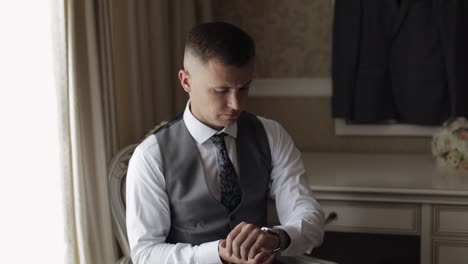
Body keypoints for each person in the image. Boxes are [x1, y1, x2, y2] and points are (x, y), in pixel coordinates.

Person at [126, 21, 325, 264]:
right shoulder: (151, 155)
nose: (236, 104)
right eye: (221, 91)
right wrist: (217, 252)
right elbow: (145, 255)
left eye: (244, 88)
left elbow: (309, 218)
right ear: (186, 81)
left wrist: (276, 238)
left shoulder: (271, 134)